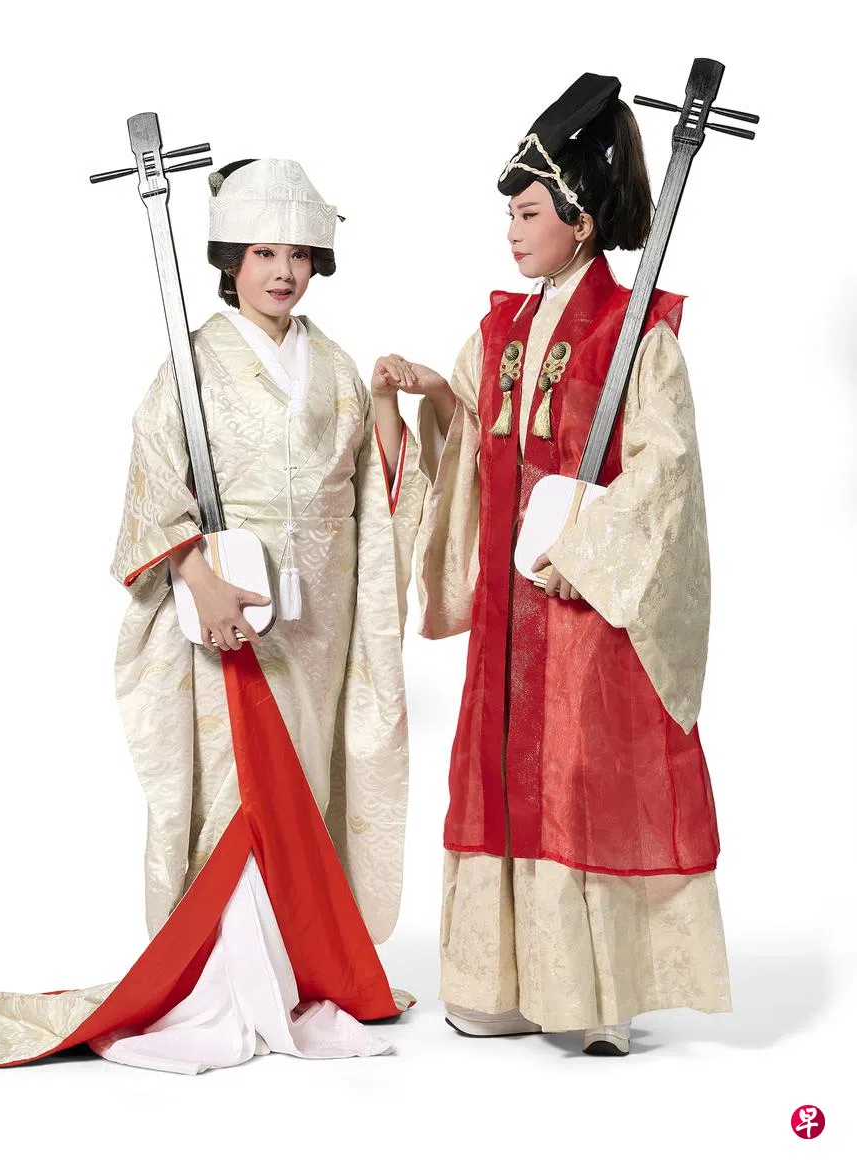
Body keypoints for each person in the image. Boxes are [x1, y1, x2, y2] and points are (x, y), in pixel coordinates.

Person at [0, 158, 426, 1072]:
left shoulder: (338, 366)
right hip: (229, 608)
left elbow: (375, 492)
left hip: (321, 618)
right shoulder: (191, 365)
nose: (282, 271)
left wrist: (388, 409)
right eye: (262, 252)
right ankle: (225, 983)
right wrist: (199, 577)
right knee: (237, 792)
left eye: (298, 253)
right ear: (230, 260)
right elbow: (154, 482)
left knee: (305, 790)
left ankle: (291, 968)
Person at [372, 74, 730, 1057]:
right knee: (497, 769)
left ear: (581, 219)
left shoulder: (637, 330)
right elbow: (475, 430)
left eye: (529, 214)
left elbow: (665, 468)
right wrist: (428, 392)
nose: (512, 232)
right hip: (508, 604)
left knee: (578, 777)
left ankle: (592, 995)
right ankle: (499, 980)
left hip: (580, 605)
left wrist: (587, 547)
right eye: (510, 215)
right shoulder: (502, 328)